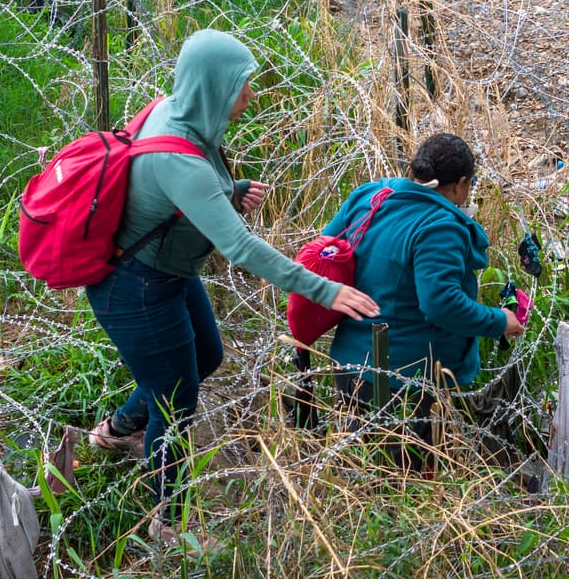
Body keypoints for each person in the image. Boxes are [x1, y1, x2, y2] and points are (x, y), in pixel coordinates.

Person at [84, 29, 379, 552]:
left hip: (164, 273)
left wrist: (231, 192)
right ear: (214, 87)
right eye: (242, 84)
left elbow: (178, 196)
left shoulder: (179, 112)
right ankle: (168, 523)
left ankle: (120, 429)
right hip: (136, 288)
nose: (250, 94)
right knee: (176, 401)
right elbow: (241, 247)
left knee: (206, 357)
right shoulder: (181, 160)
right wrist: (324, 291)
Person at [322, 133, 524, 470]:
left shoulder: (372, 196)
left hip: (349, 365)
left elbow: (325, 250)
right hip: (402, 381)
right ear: (462, 184)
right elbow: (441, 303)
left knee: (365, 474)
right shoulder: (440, 226)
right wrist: (499, 320)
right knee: (407, 480)